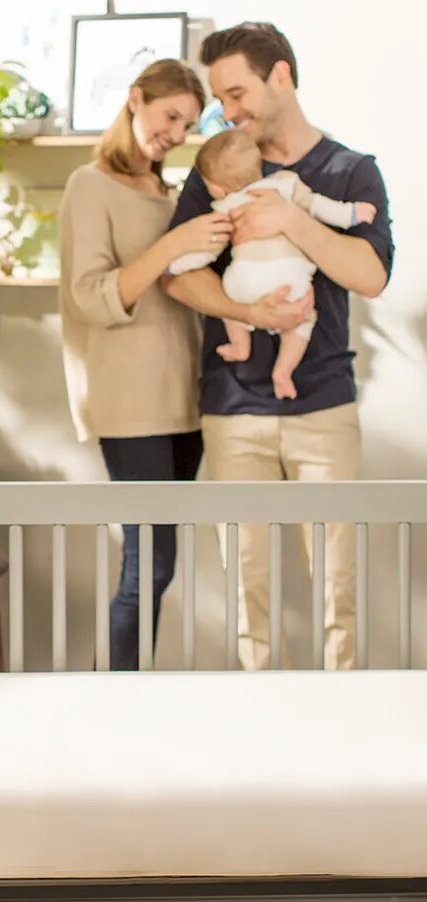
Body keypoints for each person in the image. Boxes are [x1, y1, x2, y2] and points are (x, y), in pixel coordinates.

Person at [164, 22, 394, 670]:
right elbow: (177, 274)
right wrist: (246, 311)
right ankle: (256, 732)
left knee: (336, 588)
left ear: (282, 77)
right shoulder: (216, 170)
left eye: (237, 94)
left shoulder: (349, 171)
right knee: (246, 588)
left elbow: (371, 275)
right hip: (234, 411)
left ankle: (341, 728)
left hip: (322, 409)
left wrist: (292, 217)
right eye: (222, 100)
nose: (229, 112)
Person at [59, 58, 231, 670]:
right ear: (135, 99)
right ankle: (118, 696)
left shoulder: (168, 192)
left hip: (186, 397)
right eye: (170, 116)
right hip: (131, 404)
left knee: (162, 564)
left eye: (188, 123)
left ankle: (133, 690)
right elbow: (89, 295)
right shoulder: (90, 185)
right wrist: (174, 245)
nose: (178, 133)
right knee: (148, 565)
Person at [168, 129, 378, 399]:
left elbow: (209, 248)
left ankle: (239, 344)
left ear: (217, 188)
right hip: (290, 280)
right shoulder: (286, 184)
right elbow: (317, 205)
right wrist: (350, 213)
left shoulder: (225, 206)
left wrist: (177, 264)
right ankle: (283, 371)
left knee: (231, 304)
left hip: (242, 283)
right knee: (304, 320)